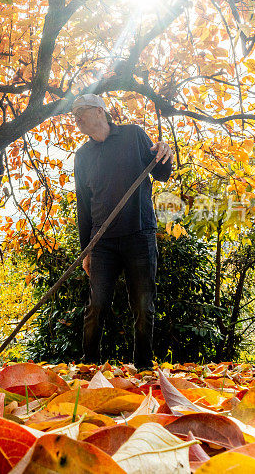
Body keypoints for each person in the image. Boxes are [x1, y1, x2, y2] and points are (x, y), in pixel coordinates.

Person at [72, 94, 173, 369]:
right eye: (74, 114)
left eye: (81, 111)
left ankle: (143, 367)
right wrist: (87, 250)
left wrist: (165, 152)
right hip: (102, 243)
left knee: (143, 306)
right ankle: (89, 367)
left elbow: (162, 174)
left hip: (139, 234)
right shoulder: (82, 156)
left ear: (100, 111)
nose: (76, 118)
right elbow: (84, 205)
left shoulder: (134, 135)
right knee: (96, 306)